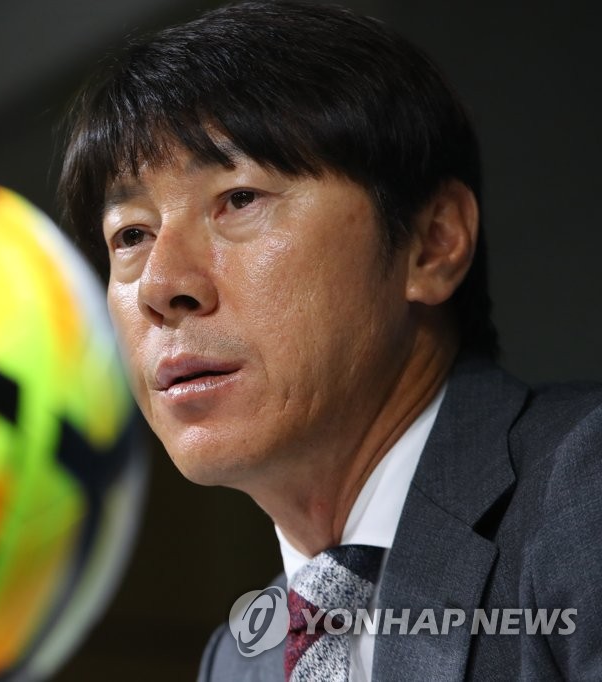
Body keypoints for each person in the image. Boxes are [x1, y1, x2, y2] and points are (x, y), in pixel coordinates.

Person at [57, 1, 602, 680]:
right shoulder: (237, 662)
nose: (162, 286)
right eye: (131, 235)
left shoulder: (584, 496)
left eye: (239, 199)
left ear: (432, 243)